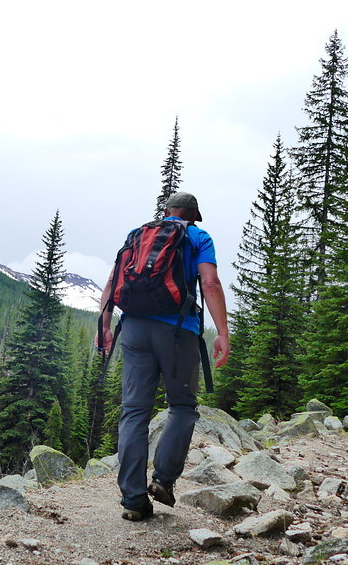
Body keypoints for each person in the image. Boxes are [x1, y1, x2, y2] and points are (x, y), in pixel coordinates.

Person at [97, 192, 230, 521]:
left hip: (134, 329)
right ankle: (163, 480)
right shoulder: (198, 236)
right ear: (192, 216)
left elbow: (115, 279)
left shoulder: (137, 234)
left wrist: (104, 325)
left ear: (166, 212)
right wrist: (223, 333)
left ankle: (132, 499)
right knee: (182, 407)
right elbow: (210, 282)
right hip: (177, 331)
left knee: (133, 413)